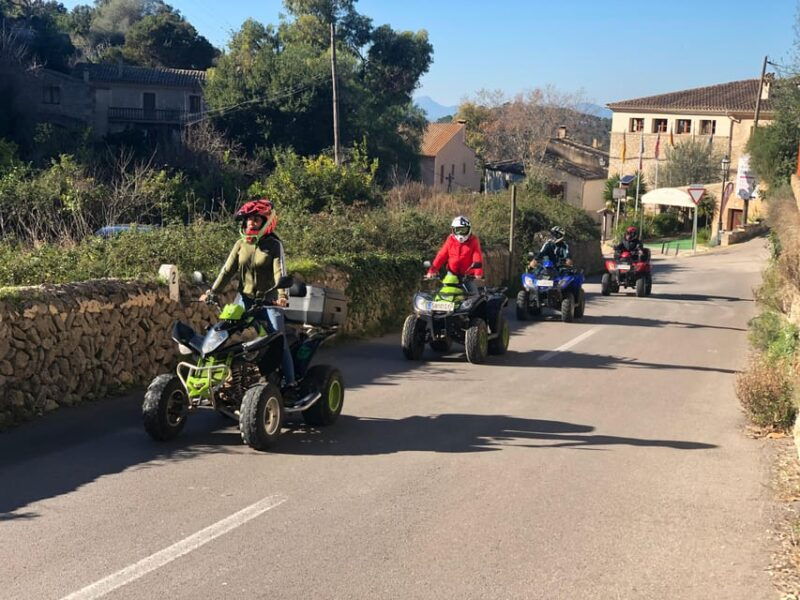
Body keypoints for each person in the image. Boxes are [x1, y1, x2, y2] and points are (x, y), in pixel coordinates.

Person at [200, 198, 295, 387]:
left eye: (256, 219)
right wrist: (212, 292)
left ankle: (290, 382)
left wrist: (282, 296)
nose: (251, 222)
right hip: (244, 300)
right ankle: (221, 379)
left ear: (266, 222)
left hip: (269, 302)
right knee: (223, 334)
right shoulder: (240, 244)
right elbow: (227, 271)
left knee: (278, 340)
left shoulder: (274, 245)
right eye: (249, 219)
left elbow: (280, 272)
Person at [426, 216, 484, 292]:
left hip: (467, 276)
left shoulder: (473, 240)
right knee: (445, 293)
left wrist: (478, 272)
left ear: (469, 230)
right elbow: (441, 256)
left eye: (464, 230)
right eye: (458, 230)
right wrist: (432, 270)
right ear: (453, 230)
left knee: (473, 295)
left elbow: (477, 256)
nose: (461, 234)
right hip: (452, 273)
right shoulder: (450, 240)